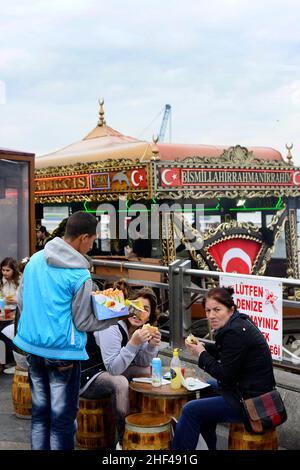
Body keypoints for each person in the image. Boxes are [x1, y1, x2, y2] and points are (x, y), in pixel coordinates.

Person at [13, 211, 122, 451]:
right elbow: (83, 322)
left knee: (41, 415)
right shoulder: (80, 274)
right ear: (84, 237)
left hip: (32, 348)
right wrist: (115, 318)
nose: (92, 246)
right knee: (62, 420)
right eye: (93, 240)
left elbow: (21, 301)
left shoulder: (35, 260)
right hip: (63, 354)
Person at [172, 287, 276, 451]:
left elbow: (225, 375)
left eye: (217, 310)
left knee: (190, 411)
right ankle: (209, 446)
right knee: (206, 387)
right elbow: (228, 354)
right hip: (246, 391)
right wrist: (204, 348)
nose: (211, 315)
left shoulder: (235, 332)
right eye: (208, 310)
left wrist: (201, 354)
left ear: (231, 309)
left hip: (252, 402)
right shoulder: (239, 322)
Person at [80, 285, 161, 448]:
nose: (139, 312)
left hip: (108, 371)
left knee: (148, 371)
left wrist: (151, 346)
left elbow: (142, 362)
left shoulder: (138, 330)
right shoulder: (111, 326)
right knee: (120, 382)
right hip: (87, 376)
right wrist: (134, 343)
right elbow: (113, 369)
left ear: (149, 316)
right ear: (127, 307)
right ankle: (124, 438)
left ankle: (145, 421)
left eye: (146, 309)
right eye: (136, 306)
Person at [0, 257, 21, 373]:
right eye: (3, 270)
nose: (5, 273)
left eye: (8, 270)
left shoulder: (20, 280)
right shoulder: (2, 280)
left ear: (14, 270)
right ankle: (6, 361)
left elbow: (24, 299)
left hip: (16, 313)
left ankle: (14, 362)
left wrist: (16, 301)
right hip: (5, 312)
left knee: (7, 334)